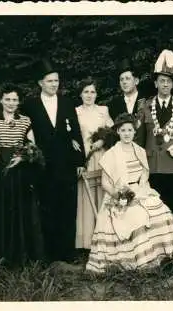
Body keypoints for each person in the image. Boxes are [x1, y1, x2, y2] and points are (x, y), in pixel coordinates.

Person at [86, 113, 173, 273]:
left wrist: (141, 190)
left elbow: (144, 174)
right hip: (120, 194)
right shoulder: (111, 154)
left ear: (135, 132)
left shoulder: (140, 150)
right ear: (118, 132)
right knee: (137, 216)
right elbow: (106, 184)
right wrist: (121, 196)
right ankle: (142, 261)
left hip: (140, 190)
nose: (127, 133)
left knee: (162, 210)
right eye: (123, 130)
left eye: (130, 130)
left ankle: (164, 256)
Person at [21, 59, 85, 263]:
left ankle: (68, 252)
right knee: (47, 207)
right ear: (40, 83)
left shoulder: (67, 102)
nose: (54, 84)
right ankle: (49, 253)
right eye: (50, 81)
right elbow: (26, 133)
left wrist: (80, 161)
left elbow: (75, 132)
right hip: (44, 166)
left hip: (66, 164)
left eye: (56, 80)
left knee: (68, 207)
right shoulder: (30, 105)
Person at [136, 49, 173, 245]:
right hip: (153, 166)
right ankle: (156, 246)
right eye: (161, 80)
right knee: (153, 208)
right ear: (155, 83)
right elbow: (139, 139)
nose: (165, 84)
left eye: (169, 81)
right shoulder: (145, 106)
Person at [0, 84, 43, 266]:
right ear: (1, 100)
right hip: (0, 168)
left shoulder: (25, 120)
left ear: (19, 102)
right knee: (2, 209)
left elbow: (33, 146)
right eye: (8, 99)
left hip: (19, 170)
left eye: (15, 100)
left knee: (21, 209)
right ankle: (1, 254)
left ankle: (22, 254)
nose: (11, 103)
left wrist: (23, 157)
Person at [74, 77, 114, 249]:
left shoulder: (103, 111)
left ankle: (104, 238)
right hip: (85, 157)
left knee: (103, 193)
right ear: (80, 94)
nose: (89, 95)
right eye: (86, 92)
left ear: (96, 94)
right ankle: (87, 241)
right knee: (86, 194)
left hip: (102, 157)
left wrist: (102, 141)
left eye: (92, 91)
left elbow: (113, 131)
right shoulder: (75, 112)